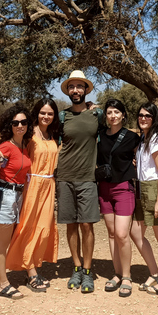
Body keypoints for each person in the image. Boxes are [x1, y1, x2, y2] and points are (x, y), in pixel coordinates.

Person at [3, 98, 60, 292]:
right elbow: (7, 144)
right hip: (31, 186)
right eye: (43, 113)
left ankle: (21, 265)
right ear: (36, 114)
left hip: (49, 186)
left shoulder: (53, 134)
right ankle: (31, 273)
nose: (46, 116)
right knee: (28, 227)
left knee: (44, 227)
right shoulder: (27, 133)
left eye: (50, 113)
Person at [56, 70, 104, 293]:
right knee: (71, 225)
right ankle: (76, 266)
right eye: (72, 87)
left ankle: (87, 271)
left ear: (86, 90)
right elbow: (46, 140)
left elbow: (111, 137)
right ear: (68, 91)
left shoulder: (97, 115)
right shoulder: (62, 117)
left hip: (88, 178)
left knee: (87, 225)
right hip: (65, 177)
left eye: (79, 86)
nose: (75, 90)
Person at [0, 104, 32, 299]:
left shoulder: (24, 146)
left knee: (4, 241)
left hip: (17, 196)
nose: (20, 125)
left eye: (24, 122)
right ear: (9, 125)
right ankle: (3, 285)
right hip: (3, 196)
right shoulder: (4, 148)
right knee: (3, 243)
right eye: (15, 123)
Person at [96, 99, 140, 297]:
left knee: (122, 234)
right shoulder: (99, 136)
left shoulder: (132, 137)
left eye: (116, 112)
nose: (113, 116)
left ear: (123, 114)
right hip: (104, 189)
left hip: (124, 188)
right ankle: (116, 273)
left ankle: (127, 277)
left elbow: (145, 158)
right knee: (112, 233)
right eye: (109, 112)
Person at [130, 102, 158, 295]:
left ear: (154, 119)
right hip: (141, 190)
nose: (143, 118)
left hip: (154, 190)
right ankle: (154, 273)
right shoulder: (143, 139)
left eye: (148, 116)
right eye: (141, 115)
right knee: (135, 232)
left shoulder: (156, 139)